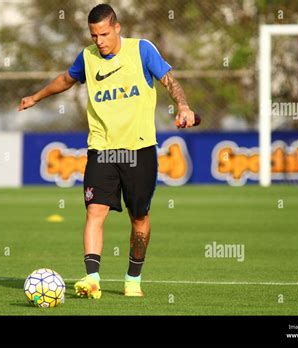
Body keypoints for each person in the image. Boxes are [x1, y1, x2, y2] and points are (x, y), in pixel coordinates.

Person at [18, 3, 196, 299]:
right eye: (93, 36)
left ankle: (132, 280)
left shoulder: (141, 50)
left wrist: (183, 105)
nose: (98, 41)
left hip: (139, 149)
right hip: (101, 149)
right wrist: (36, 97)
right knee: (94, 211)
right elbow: (66, 79)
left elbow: (169, 81)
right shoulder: (87, 57)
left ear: (117, 28)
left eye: (103, 34)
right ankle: (92, 279)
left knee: (139, 217)